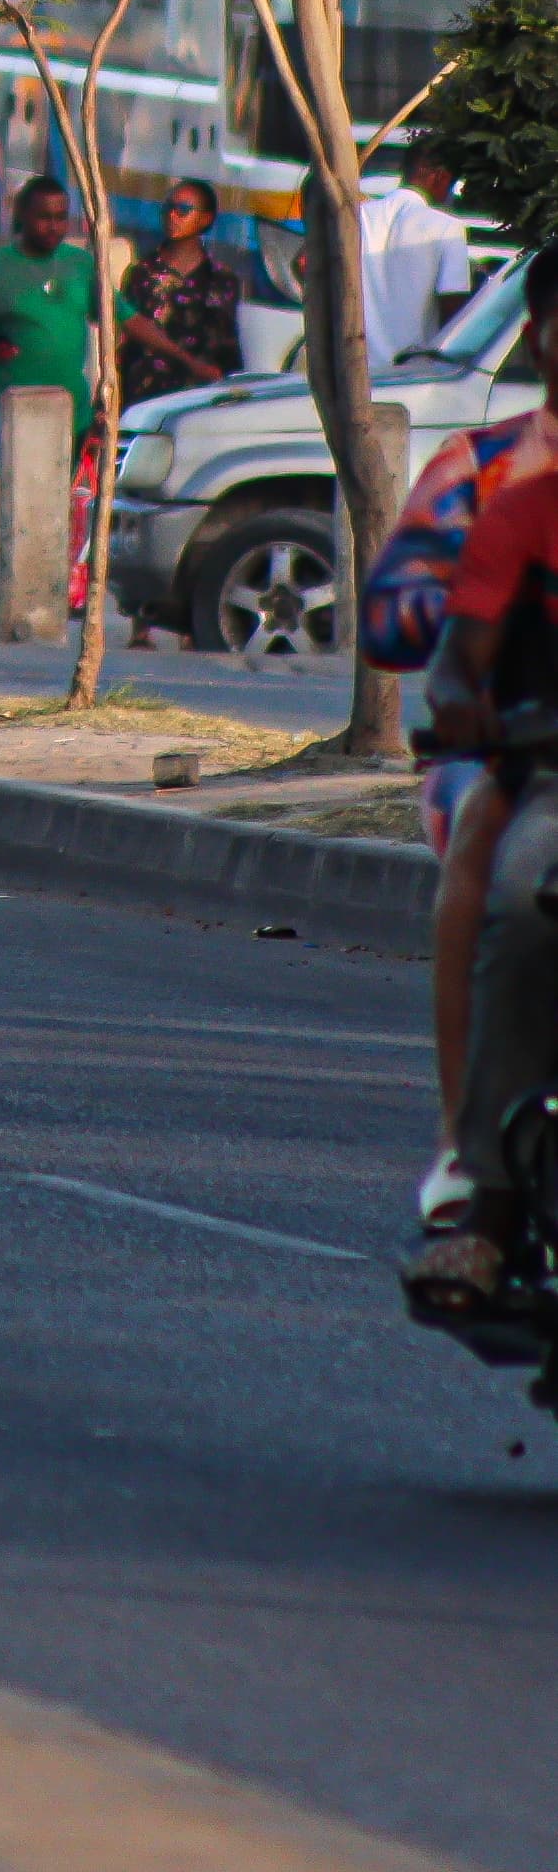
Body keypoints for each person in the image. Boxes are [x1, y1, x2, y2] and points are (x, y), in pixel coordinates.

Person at [365, 243, 558, 1241]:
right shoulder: (489, 481)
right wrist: (464, 678)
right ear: (539, 340)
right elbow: (406, 620)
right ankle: (470, 1158)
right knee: (496, 867)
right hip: (522, 758)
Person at [0, 177, 102, 466]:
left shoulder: (81, 265)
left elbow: (122, 318)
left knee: (63, 506)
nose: (54, 226)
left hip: (73, 417)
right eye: (44, 217)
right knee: (24, 506)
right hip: (11, 415)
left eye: (61, 218)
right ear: (22, 214)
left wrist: (186, 360)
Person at [116, 176, 242, 404]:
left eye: (183, 210)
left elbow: (228, 346)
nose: (172, 216)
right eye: (168, 209)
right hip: (144, 396)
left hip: (198, 398)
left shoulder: (223, 280)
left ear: (205, 218)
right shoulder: (142, 273)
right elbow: (125, 334)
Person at [360, 153, 480, 365]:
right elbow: (452, 304)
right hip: (413, 372)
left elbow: (303, 264)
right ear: (440, 177)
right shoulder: (448, 227)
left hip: (355, 368)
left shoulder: (359, 215)